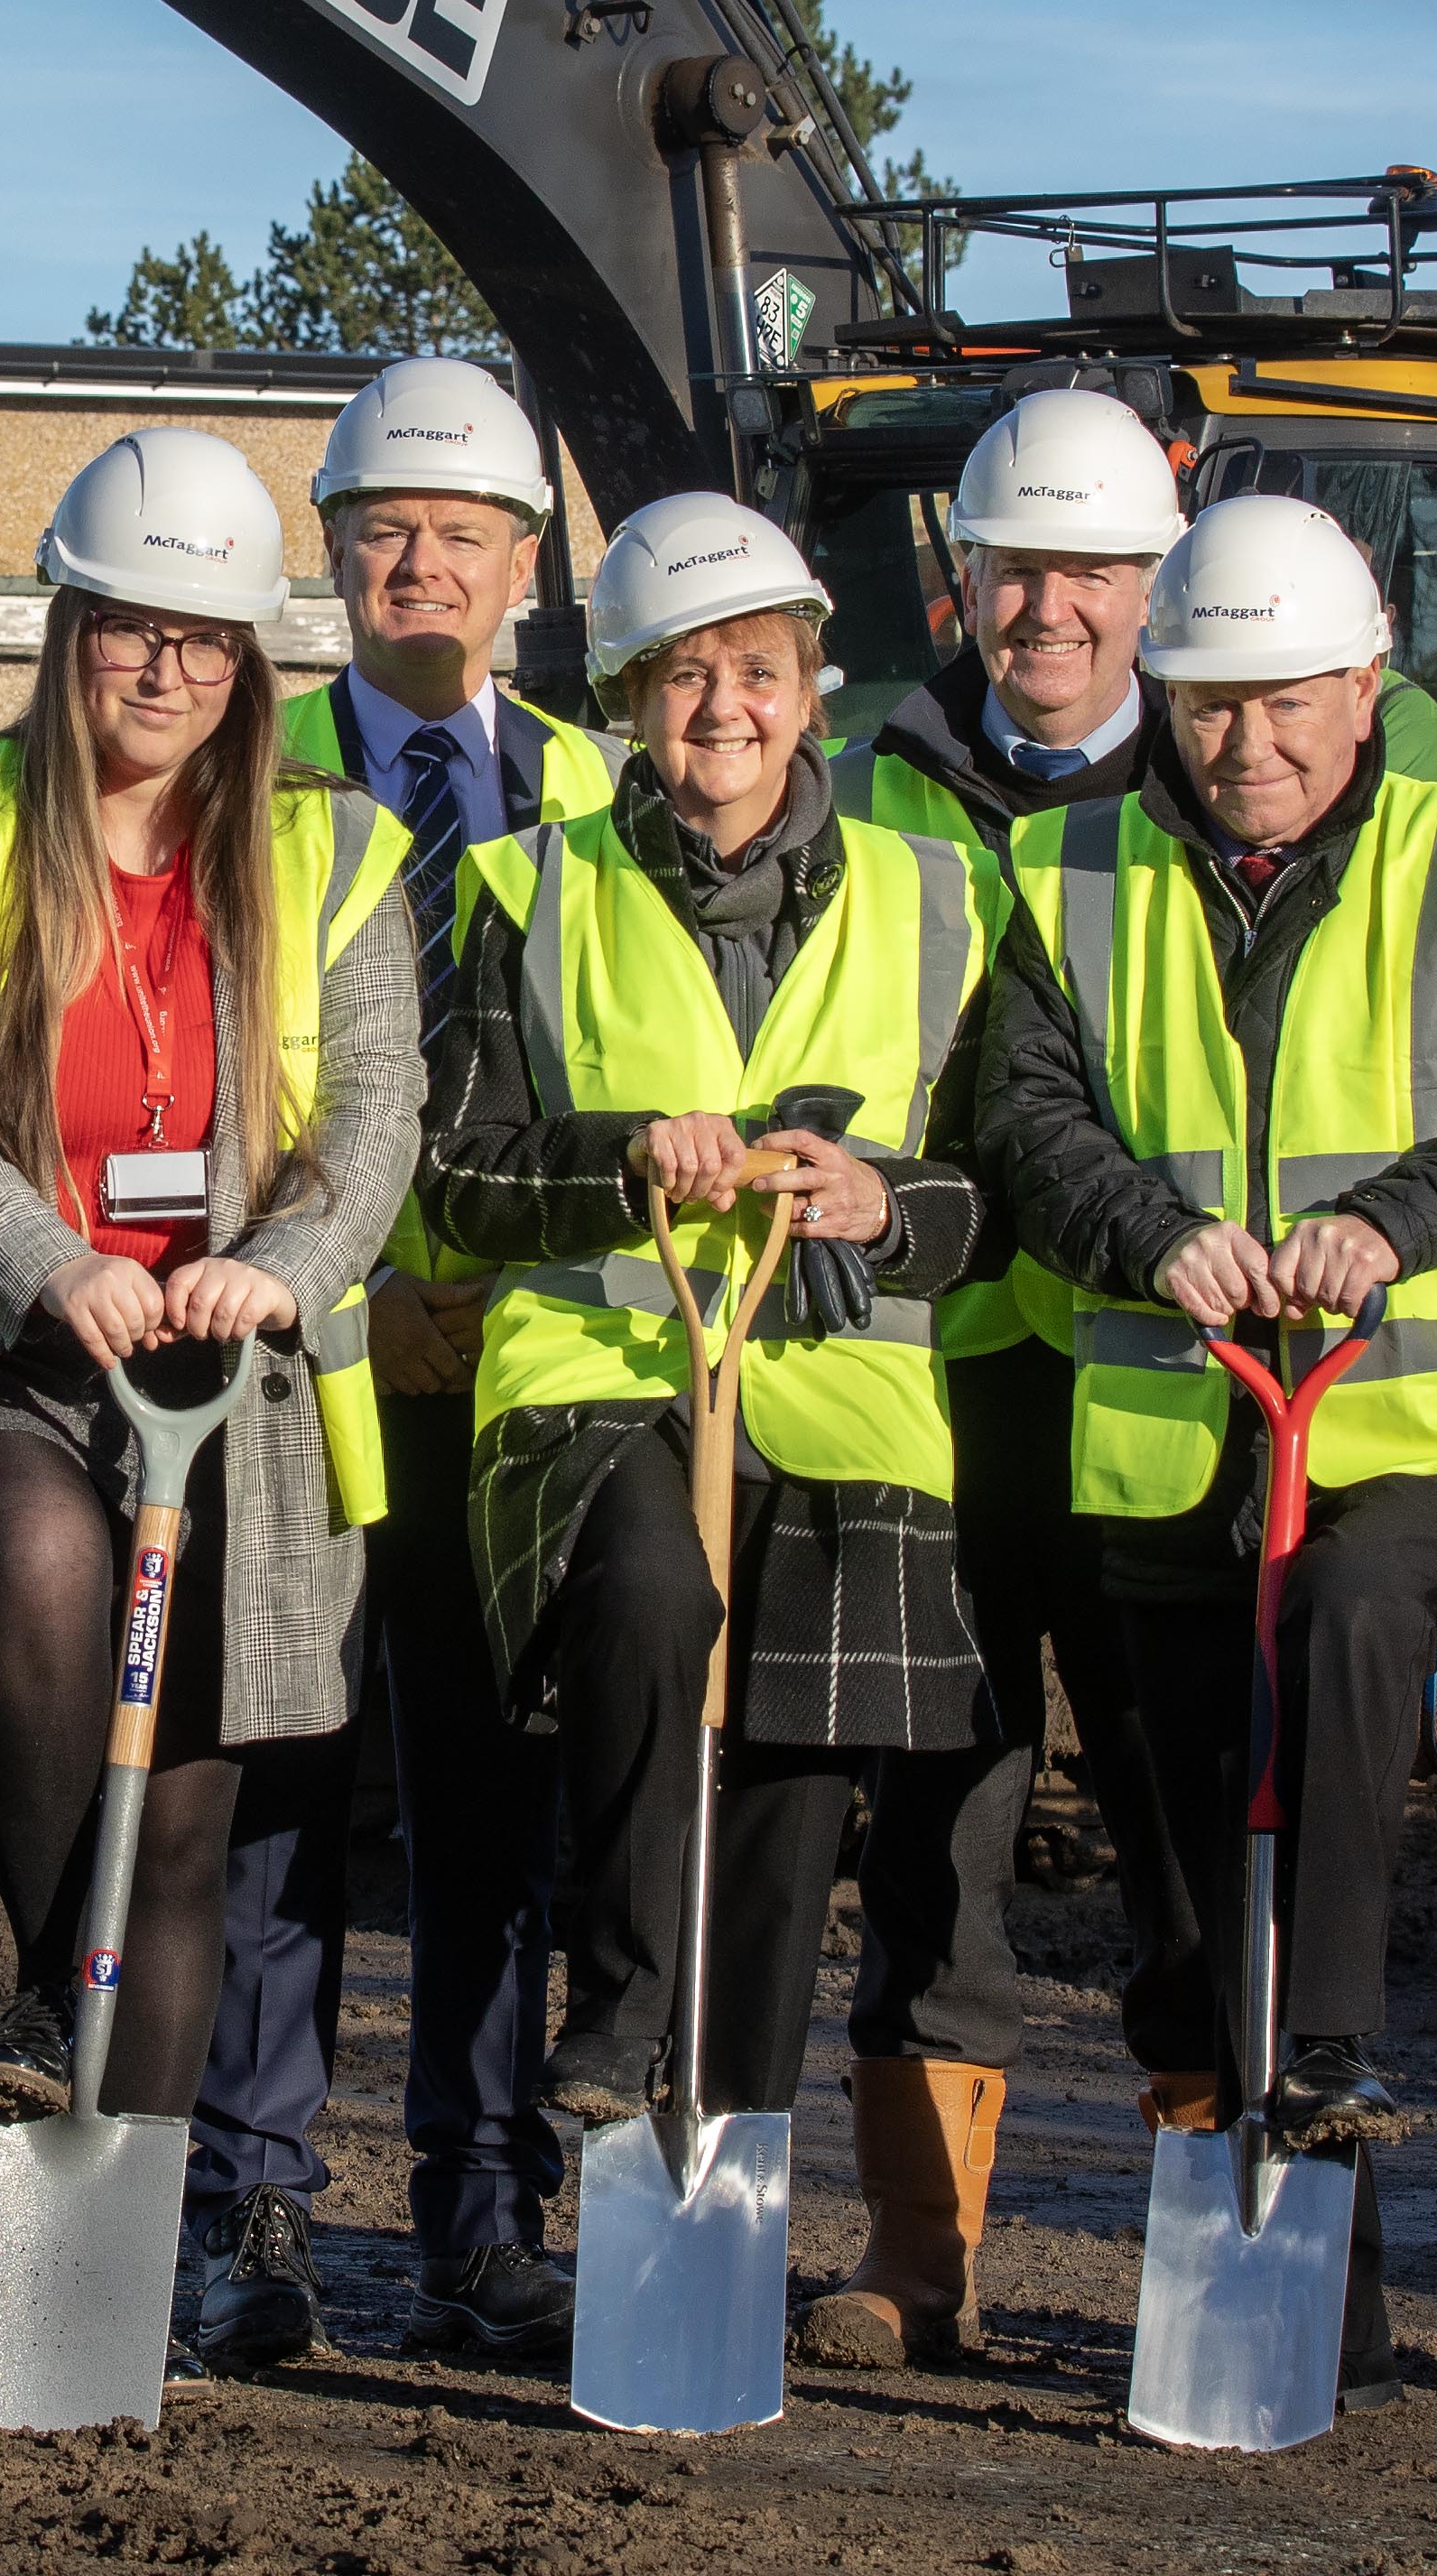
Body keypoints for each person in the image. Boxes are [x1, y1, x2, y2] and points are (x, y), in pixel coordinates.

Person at [975, 489, 1437, 2415]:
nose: (1243, 748)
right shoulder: (1067, 870)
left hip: (1400, 1421)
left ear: (1364, 688)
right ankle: (1272, 2270)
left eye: (1282, 706)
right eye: (1203, 708)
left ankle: (1327, 2042)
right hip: (1175, 1432)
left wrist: (1397, 1218)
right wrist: (1149, 1236)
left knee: (1346, 1618)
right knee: (1180, 1885)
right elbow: (1026, 1110)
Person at [0, 424, 419, 2374]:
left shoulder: (331, 847)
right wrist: (40, 1259)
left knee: (192, 1822)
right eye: (129, 632)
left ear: (252, 668)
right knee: (43, 1561)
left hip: (236, 1370)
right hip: (15, 1342)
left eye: (207, 643)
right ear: (65, 630)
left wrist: (287, 1270)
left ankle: (89, 2299)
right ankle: (41, 1985)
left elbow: (377, 1121)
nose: (164, 673)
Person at [419, 499, 993, 2191]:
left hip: (842, 1394)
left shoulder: (938, 895)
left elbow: (998, 1202)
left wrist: (882, 1204)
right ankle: (617, 2005)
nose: (723, 706)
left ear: (814, 687)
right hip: (598, 1386)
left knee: (789, 1798)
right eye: (682, 677)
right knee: (657, 1595)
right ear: (624, 701)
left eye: (758, 668)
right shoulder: (526, 887)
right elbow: (454, 1176)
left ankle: (724, 2138)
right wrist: (620, 1158)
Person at [193, 352, 617, 2372]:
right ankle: (250, 2207)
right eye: (388, 530)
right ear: (334, 553)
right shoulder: (232, 782)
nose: (423, 562)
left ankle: (478, 2203)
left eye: (463, 531)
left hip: (515, 1387)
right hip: (289, 1365)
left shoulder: (607, 794)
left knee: (489, 1818)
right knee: (268, 1801)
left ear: (529, 562)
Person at [813, 385, 1188, 2370]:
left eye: (1090, 572)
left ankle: (1227, 2229)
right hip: (934, 1375)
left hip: (1144, 1387)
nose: (1047, 606)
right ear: (958, 576)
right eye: (1015, 567)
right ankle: (916, 2248)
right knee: (931, 1817)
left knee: (1180, 1814)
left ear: (1154, 583)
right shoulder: (876, 782)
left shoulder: (1225, 786)